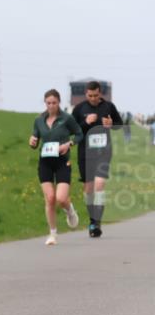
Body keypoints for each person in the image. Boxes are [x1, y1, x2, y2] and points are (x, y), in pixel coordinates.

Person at [29, 89, 82, 245]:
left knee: (61, 198)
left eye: (54, 103)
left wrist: (69, 144)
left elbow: (79, 134)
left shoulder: (67, 119)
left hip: (62, 162)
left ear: (59, 103)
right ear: (45, 103)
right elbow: (35, 138)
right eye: (48, 103)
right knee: (50, 199)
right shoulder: (39, 120)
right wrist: (32, 141)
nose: (51, 106)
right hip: (45, 162)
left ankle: (70, 210)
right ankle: (52, 234)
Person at [71, 81, 122, 238]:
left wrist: (111, 124)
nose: (93, 98)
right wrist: (85, 123)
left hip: (103, 151)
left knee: (99, 184)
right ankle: (92, 219)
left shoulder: (108, 107)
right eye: (90, 95)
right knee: (88, 188)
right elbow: (72, 130)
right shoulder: (79, 109)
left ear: (100, 93)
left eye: (96, 95)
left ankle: (97, 221)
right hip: (85, 153)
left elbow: (120, 125)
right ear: (86, 94)